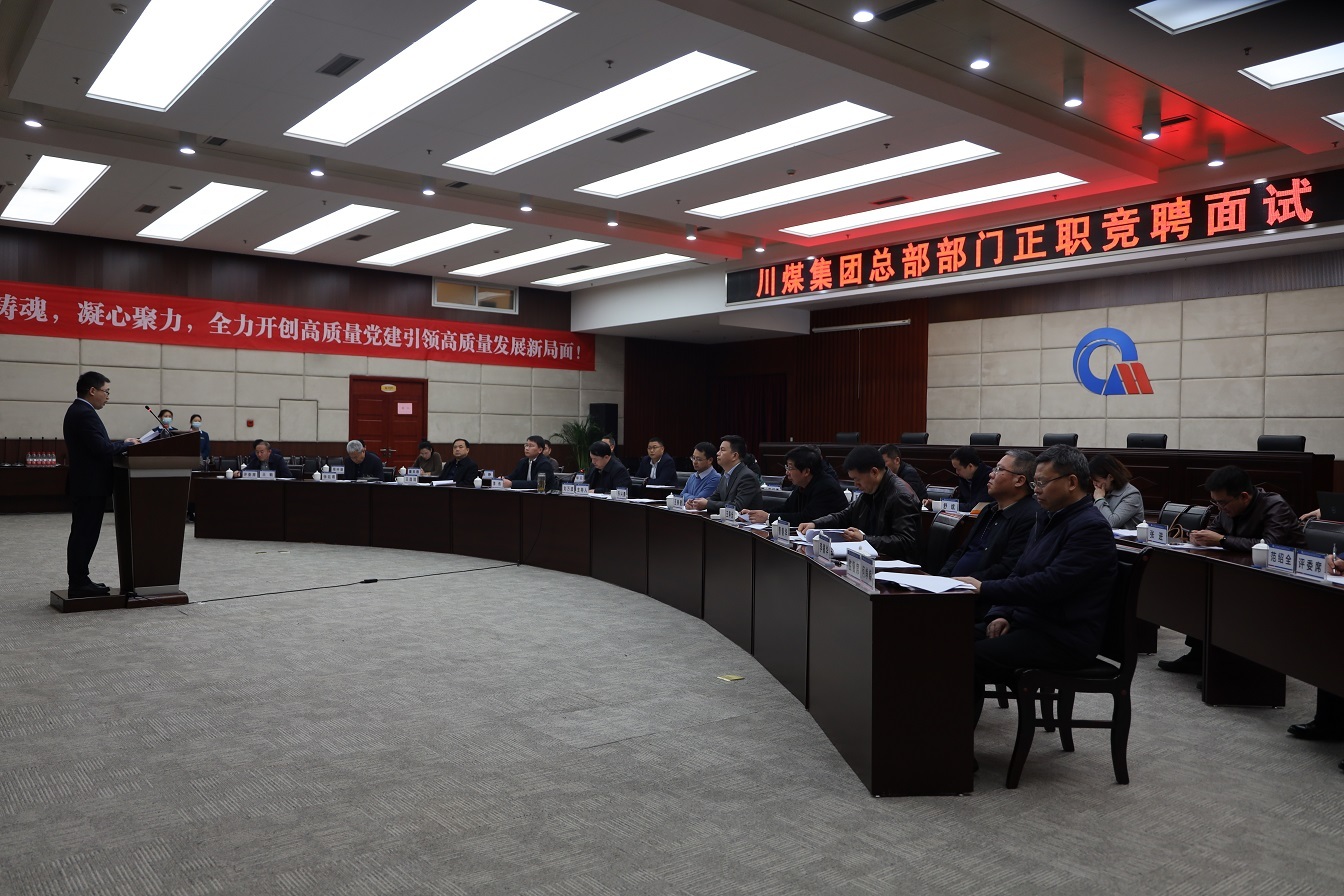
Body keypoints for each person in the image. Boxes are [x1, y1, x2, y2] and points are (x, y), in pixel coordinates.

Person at [959, 444, 1118, 727]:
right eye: (1035, 484)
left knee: (967, 657)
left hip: (1063, 637)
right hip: (1031, 623)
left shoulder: (1090, 527)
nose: (1036, 491)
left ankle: (954, 743)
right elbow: (1020, 571)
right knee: (946, 640)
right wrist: (1002, 612)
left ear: (1071, 482)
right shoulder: (1047, 517)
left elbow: (1050, 585)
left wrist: (984, 588)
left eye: (1042, 483)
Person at [1159, 465, 1305, 675]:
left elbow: (1270, 546)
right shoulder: (1227, 509)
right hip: (1243, 572)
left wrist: (1222, 540)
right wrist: (1200, 537)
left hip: (1283, 580)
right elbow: (1215, 532)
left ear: (1244, 496)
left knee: (1224, 597)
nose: (1219, 508)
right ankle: (1198, 656)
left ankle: (1233, 666)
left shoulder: (1275, 506)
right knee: (1202, 590)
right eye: (1215, 502)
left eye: (1222, 502)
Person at [63, 371, 140, 597]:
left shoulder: (79, 411)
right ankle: (78, 582)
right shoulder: (83, 413)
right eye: (106, 392)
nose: (108, 397)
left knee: (83, 533)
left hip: (87, 484)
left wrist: (121, 443)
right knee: (84, 534)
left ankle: (80, 579)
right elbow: (101, 449)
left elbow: (97, 445)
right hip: (89, 485)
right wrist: (127, 445)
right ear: (92, 390)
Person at [939, 450, 1040, 611]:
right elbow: (962, 551)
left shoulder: (1030, 516)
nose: (991, 475)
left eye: (999, 470)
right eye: (994, 469)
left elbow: (1008, 568)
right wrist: (943, 578)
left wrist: (962, 582)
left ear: (1020, 480)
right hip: (953, 590)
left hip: (983, 599)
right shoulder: (988, 510)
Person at [798, 445, 920, 561]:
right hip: (872, 559)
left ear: (874, 472)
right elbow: (845, 515)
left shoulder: (901, 496)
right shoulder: (871, 490)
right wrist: (815, 524)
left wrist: (864, 539)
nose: (856, 485)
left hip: (898, 566)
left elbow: (906, 542)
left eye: (857, 479)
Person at [743, 445, 847, 525]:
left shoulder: (826, 487)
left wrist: (768, 517)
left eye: (790, 468)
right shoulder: (803, 484)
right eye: (787, 467)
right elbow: (786, 508)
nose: (787, 472)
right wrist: (755, 514)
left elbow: (806, 518)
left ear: (806, 471)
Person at [685, 435, 762, 513]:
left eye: (722, 450)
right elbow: (715, 497)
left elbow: (737, 506)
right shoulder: (725, 475)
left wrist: (707, 504)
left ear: (734, 455)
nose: (718, 453)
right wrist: (696, 503)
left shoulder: (747, 476)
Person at [1088, 453, 1144, 529]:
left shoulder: (1132, 494)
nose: (1094, 484)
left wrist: (1099, 499)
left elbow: (1112, 523)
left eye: (1097, 481)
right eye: (1092, 480)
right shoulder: (1104, 491)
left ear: (1110, 477)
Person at [930, 446, 990, 512]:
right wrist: (936, 504)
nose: (956, 472)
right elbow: (960, 500)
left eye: (958, 469)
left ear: (970, 466)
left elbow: (975, 507)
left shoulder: (989, 478)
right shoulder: (964, 478)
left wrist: (942, 505)